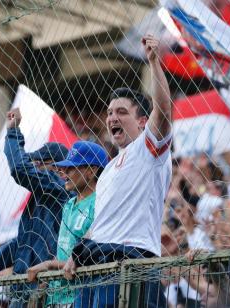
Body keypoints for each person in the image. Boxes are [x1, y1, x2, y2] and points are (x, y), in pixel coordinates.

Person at [64, 34, 172, 307]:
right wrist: (74, 256)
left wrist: (154, 63)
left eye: (122, 112)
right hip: (96, 263)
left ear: (142, 121)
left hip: (131, 261)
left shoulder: (149, 150)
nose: (112, 117)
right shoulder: (109, 169)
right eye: (110, 112)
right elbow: (100, 223)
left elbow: (164, 112)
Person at [0, 108, 72, 306]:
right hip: (26, 289)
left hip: (44, 289)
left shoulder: (56, 186)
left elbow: (19, 168)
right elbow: (21, 244)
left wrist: (13, 132)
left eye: (38, 164)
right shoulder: (41, 199)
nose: (34, 168)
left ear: (55, 167)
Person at [26, 141, 108, 307]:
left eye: (71, 167)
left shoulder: (100, 203)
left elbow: (93, 260)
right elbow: (64, 250)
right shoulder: (69, 204)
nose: (63, 172)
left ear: (91, 170)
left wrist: (50, 265)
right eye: (63, 167)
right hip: (55, 297)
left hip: (80, 297)